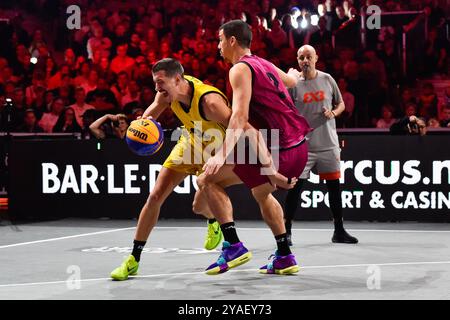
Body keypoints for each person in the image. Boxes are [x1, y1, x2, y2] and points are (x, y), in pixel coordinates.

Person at [199, 20, 311, 275]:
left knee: (207, 179)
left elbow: (238, 118)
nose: (218, 47)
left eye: (219, 40)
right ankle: (284, 255)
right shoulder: (264, 63)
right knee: (262, 193)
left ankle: (233, 246)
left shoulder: (239, 69)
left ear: (232, 41)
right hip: (299, 148)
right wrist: (293, 75)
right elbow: (290, 82)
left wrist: (220, 155)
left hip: (278, 148)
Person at [110, 58, 233, 280]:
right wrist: (139, 129)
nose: (157, 87)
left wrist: (224, 156)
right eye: (155, 82)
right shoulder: (166, 95)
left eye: (160, 82)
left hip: (217, 149)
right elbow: (149, 116)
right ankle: (133, 259)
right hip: (190, 144)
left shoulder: (210, 102)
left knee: (199, 207)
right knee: (155, 196)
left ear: (177, 80)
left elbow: (237, 126)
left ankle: (214, 222)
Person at [284, 45, 358, 246]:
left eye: (308, 56)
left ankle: (339, 231)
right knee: (294, 188)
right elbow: (287, 112)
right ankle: (286, 231)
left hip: (328, 144)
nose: (305, 61)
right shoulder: (293, 84)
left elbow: (340, 103)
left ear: (316, 58)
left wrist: (333, 113)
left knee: (334, 188)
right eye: (301, 58)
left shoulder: (327, 79)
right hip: (303, 146)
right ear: (297, 60)